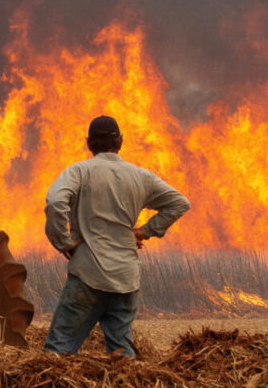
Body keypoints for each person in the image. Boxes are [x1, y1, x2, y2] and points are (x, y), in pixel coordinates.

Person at [43, 115, 190, 357]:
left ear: (89, 143)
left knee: (58, 353)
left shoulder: (79, 172)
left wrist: (63, 242)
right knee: (122, 357)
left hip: (88, 275)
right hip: (125, 280)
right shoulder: (141, 176)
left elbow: (56, 201)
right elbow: (179, 203)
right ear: (120, 141)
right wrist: (145, 231)